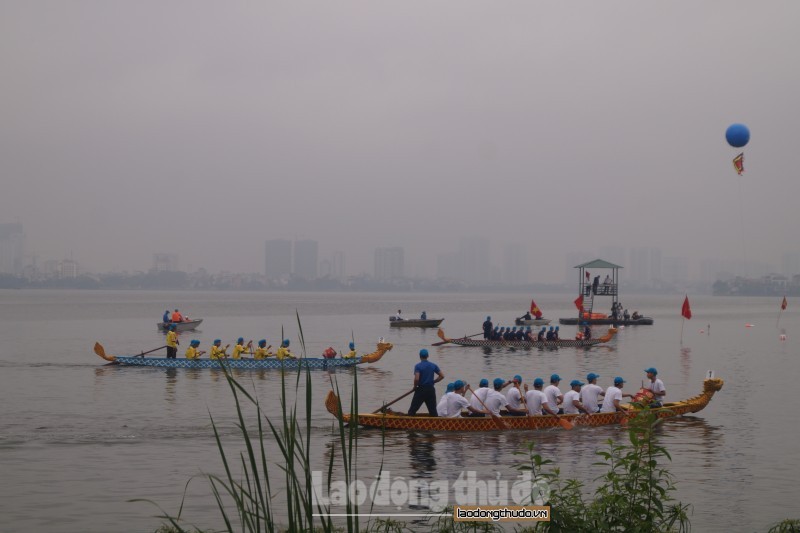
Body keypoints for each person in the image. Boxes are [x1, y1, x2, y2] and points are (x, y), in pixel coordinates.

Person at [408, 349, 444, 416]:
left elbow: (416, 379)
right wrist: (434, 381)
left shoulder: (418, 366)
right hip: (430, 389)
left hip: (421, 389)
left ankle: (407, 422)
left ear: (420, 356)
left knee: (412, 410)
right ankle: (435, 423)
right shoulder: (433, 365)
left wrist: (415, 386)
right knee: (433, 411)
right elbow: (442, 376)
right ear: (428, 356)